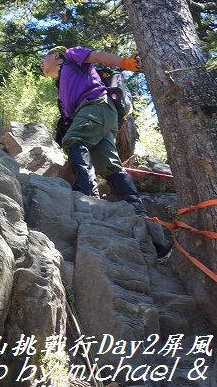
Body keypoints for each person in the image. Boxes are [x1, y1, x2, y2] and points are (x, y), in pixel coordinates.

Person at [40, 45, 173, 259]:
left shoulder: (71, 56)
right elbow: (67, 118)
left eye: (42, 62)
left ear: (55, 54)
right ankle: (151, 234)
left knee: (74, 139)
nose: (41, 67)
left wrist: (125, 63)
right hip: (102, 115)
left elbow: (97, 56)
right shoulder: (63, 83)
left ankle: (85, 192)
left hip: (95, 105)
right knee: (111, 167)